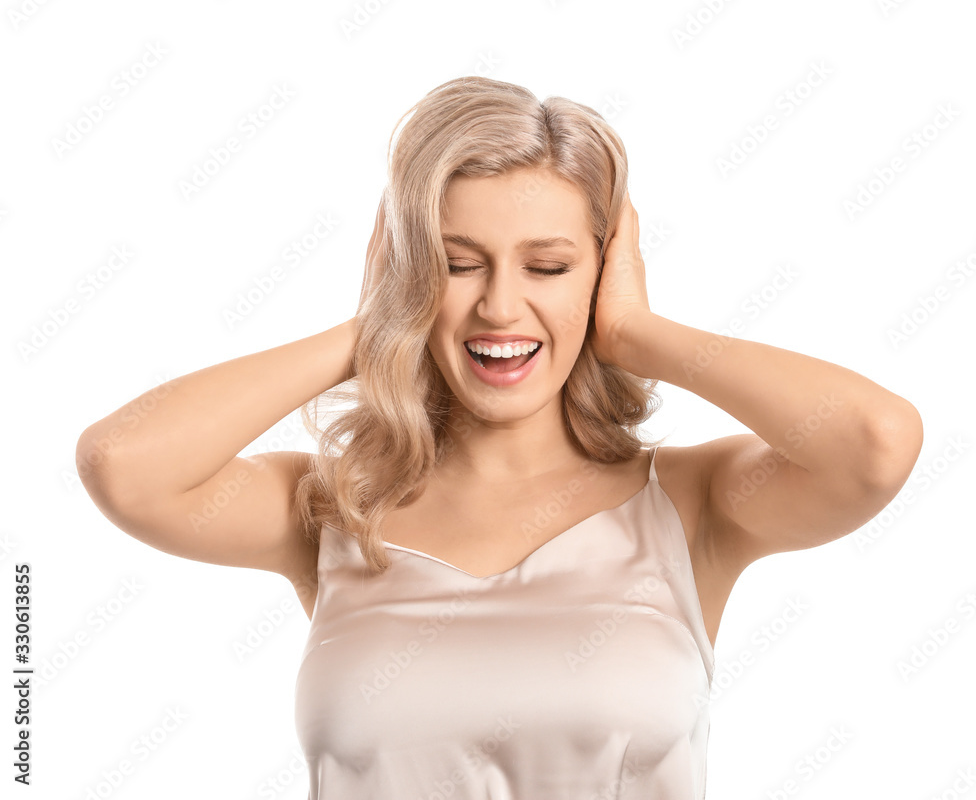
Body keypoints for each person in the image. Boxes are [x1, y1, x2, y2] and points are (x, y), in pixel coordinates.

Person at [76, 76, 923, 799]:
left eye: (548, 266)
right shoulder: (336, 507)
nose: (501, 308)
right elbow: (123, 466)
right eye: (456, 261)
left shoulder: (692, 506)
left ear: (602, 270)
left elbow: (877, 442)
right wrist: (375, 325)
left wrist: (634, 331)